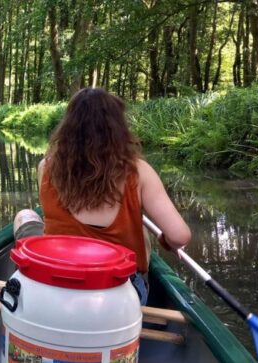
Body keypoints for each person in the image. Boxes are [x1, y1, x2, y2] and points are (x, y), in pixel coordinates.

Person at [13, 88, 191, 305]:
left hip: (58, 282)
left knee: (25, 215)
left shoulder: (47, 167)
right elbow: (180, 237)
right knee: (141, 231)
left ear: (68, 127)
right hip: (119, 293)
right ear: (117, 128)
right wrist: (165, 239)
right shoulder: (139, 172)